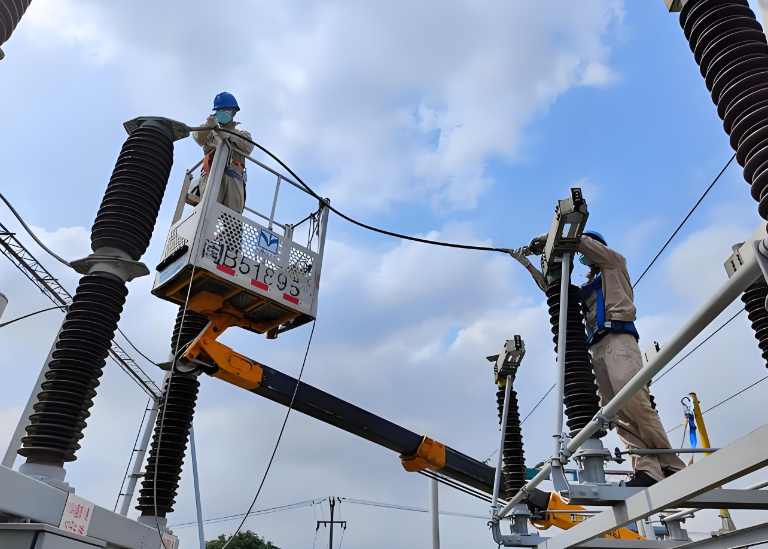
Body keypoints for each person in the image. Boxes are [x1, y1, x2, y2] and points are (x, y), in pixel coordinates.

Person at [511, 231, 685, 487]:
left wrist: (552, 238)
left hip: (619, 339)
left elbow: (578, 238)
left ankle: (671, 465)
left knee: (635, 401)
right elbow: (555, 290)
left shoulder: (614, 265)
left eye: (584, 252)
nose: (582, 257)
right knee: (617, 413)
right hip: (597, 348)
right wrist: (527, 264)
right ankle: (647, 469)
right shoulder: (586, 289)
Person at [191, 91, 254, 214]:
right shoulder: (210, 131)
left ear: (233, 112)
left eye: (227, 110)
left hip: (234, 179)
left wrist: (226, 135)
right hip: (212, 175)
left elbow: (248, 147)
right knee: (207, 214)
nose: (223, 113)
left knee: (233, 221)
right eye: (220, 111)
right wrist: (209, 125)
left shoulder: (242, 134)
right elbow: (198, 138)